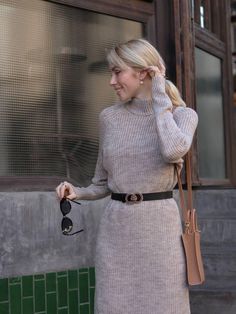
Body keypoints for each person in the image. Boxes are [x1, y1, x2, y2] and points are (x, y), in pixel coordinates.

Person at [56, 38, 198, 314]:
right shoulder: (109, 118)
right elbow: (101, 182)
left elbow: (172, 151)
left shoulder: (183, 115)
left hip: (161, 232)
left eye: (117, 72)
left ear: (143, 73)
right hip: (116, 232)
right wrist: (77, 192)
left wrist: (159, 100)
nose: (111, 81)